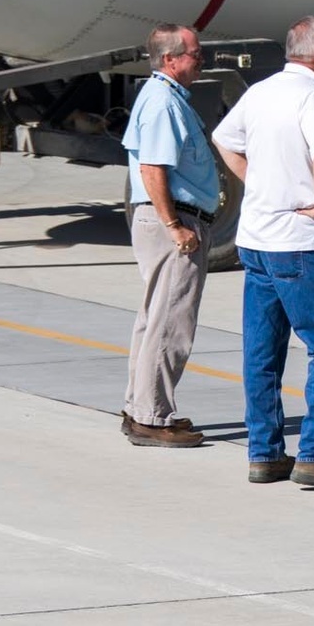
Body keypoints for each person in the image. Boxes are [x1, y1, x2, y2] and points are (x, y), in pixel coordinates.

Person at [212, 15, 314, 490]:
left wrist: (258, 184)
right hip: (300, 243)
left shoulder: (261, 90)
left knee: (262, 353)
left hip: (256, 240)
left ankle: (265, 453)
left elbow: (223, 137)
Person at [120, 23, 220, 448]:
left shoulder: (165, 96)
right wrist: (175, 226)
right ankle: (151, 418)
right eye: (195, 55)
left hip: (169, 218)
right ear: (170, 59)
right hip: (174, 221)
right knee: (170, 323)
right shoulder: (162, 102)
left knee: (154, 320)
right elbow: (153, 169)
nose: (201, 61)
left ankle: (141, 407)